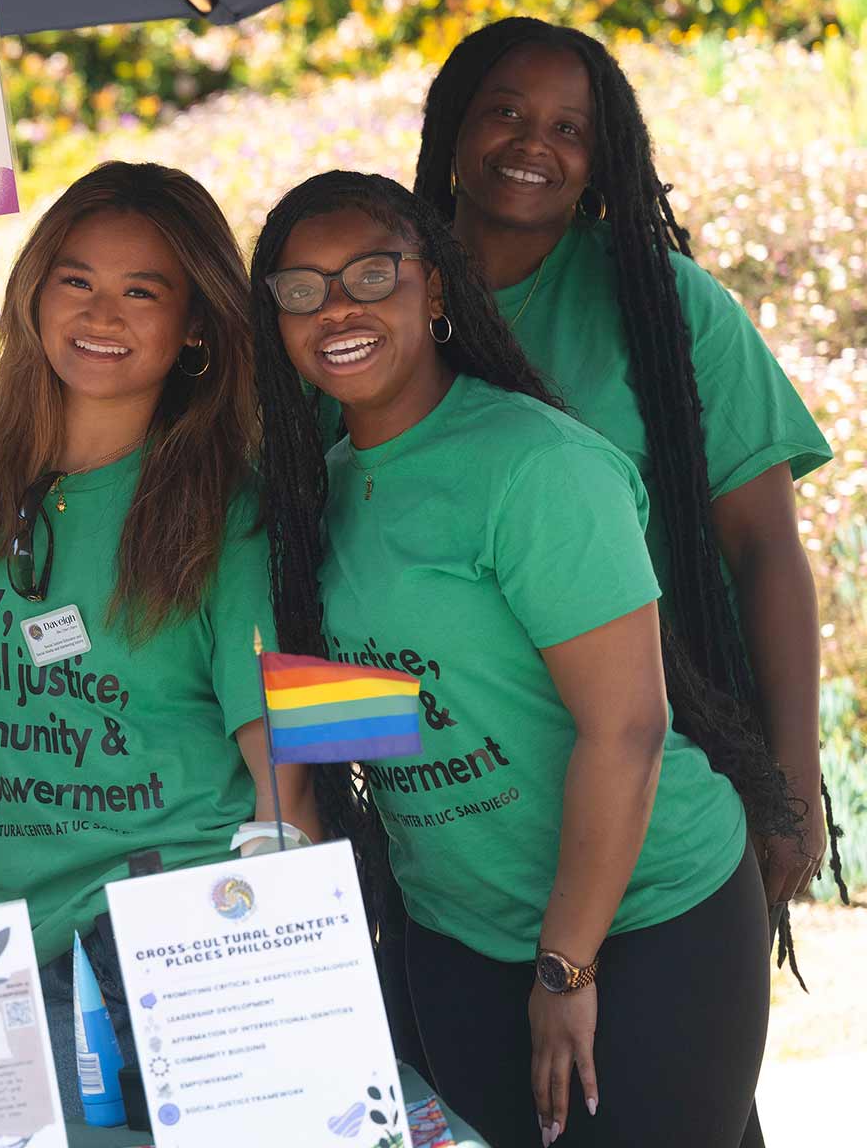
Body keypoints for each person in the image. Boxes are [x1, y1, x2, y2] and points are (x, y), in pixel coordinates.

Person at [251, 170, 771, 1148]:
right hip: (459, 935)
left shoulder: (535, 465)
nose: (337, 309)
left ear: (435, 289)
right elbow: (389, 725)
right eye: (301, 289)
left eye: (371, 275)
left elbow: (628, 728)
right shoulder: (318, 493)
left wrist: (563, 968)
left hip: (647, 917)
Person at [0, 161, 311, 1114]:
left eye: (144, 291)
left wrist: (292, 964)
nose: (103, 313)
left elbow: (281, 758)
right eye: (77, 279)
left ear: (197, 324)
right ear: (35, 290)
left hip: (170, 942)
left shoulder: (227, 505)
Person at [414, 18, 836, 915]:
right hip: (446, 827)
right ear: (452, 123)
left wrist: (794, 777)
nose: (536, 143)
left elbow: (763, 546)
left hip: (663, 802)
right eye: (506, 112)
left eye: (572, 128)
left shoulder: (661, 300)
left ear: (605, 156)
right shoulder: (374, 296)